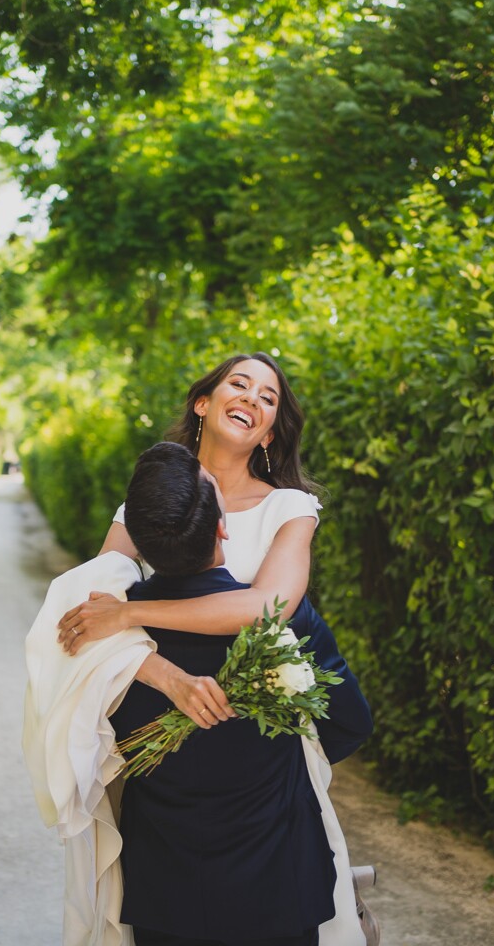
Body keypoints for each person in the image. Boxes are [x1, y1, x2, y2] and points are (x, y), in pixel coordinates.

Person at [55, 353, 371, 943]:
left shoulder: (289, 508)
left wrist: (131, 611)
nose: (253, 397)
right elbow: (90, 629)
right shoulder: (142, 507)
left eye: (268, 397)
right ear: (204, 402)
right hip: (163, 746)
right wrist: (164, 676)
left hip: (262, 749)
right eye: (239, 384)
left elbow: (266, 607)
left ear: (271, 431)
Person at [111, 442, 368, 946]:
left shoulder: (110, 634)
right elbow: (351, 721)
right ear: (222, 526)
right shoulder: (283, 620)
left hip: (165, 885)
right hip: (278, 879)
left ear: (137, 542)